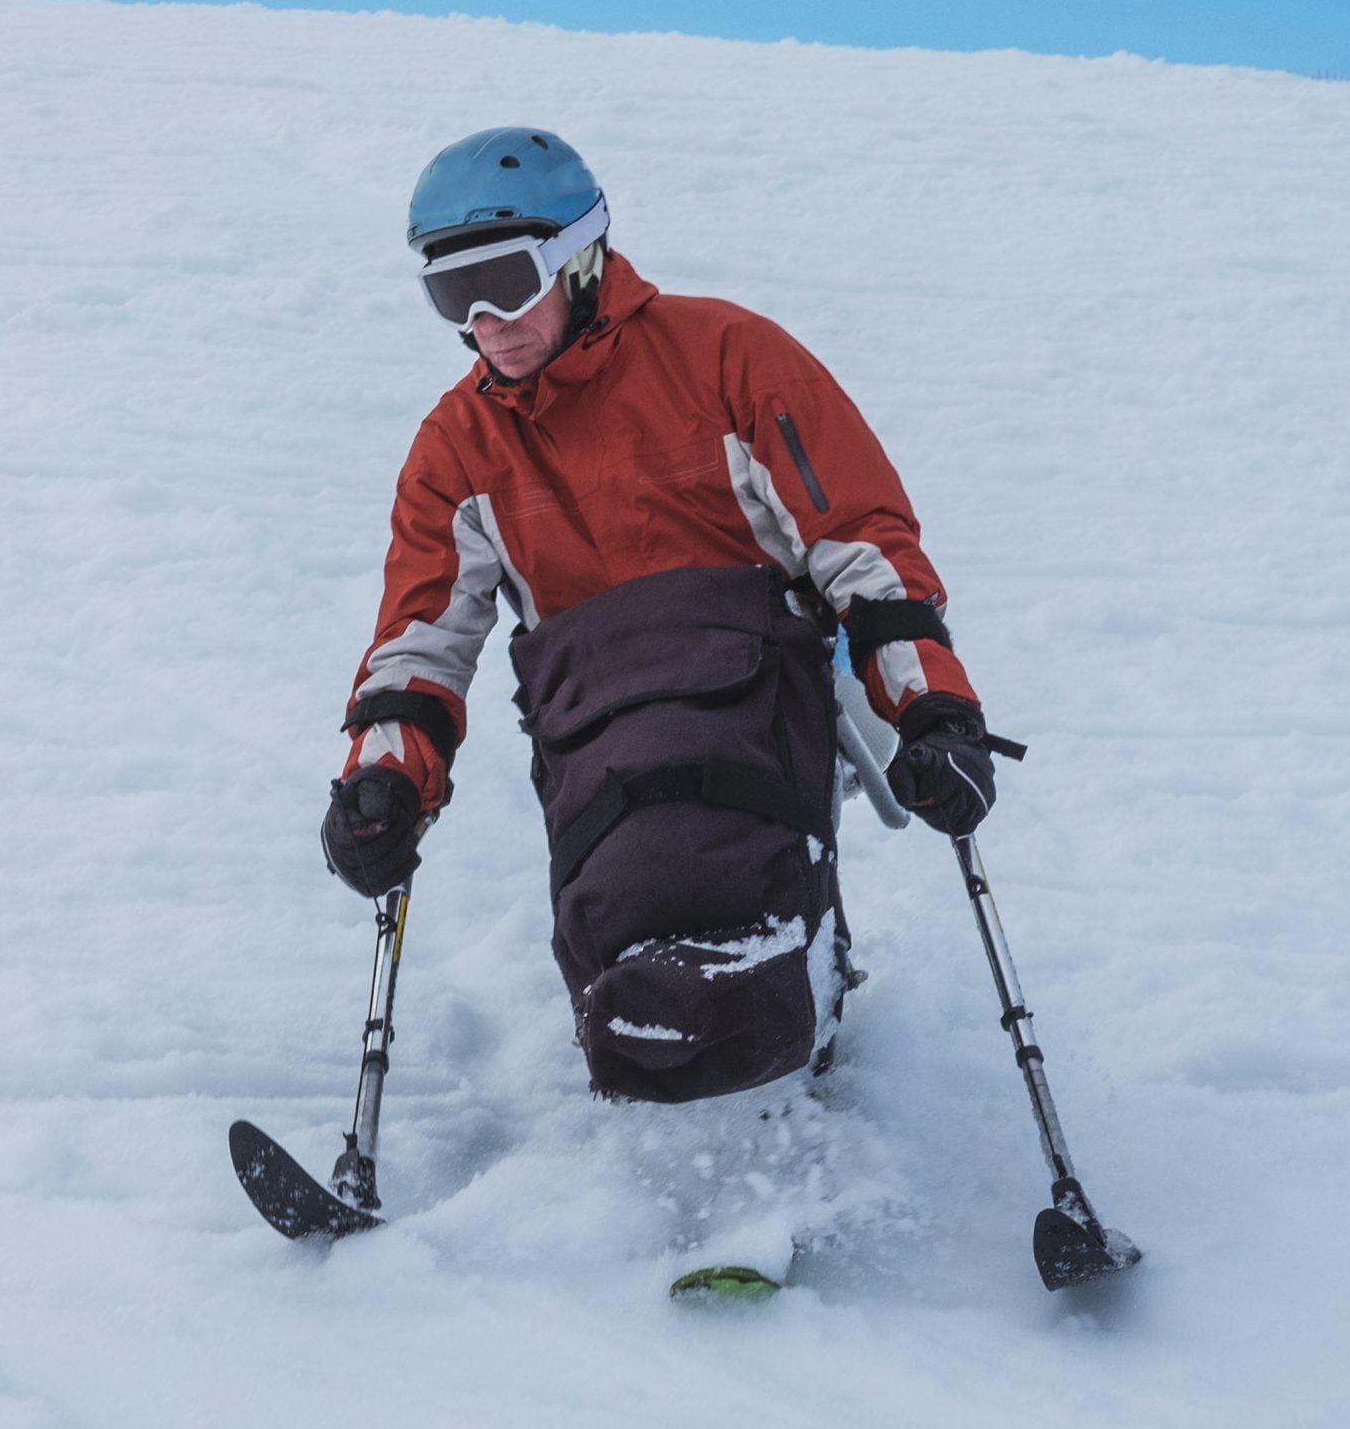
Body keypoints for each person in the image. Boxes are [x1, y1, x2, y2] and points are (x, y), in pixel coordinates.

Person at [320, 127, 999, 1103]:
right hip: (595, 722)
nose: (485, 322)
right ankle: (653, 1064)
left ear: (580, 256)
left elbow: (861, 544)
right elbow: (423, 638)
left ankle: (791, 1017)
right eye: (450, 294)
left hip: (767, 691)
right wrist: (385, 777)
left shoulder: (730, 359)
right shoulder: (457, 449)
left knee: (738, 864)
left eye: (506, 281)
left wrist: (934, 715)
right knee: (630, 912)